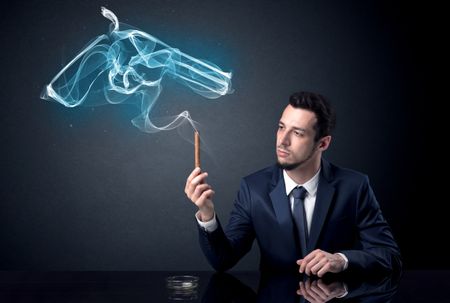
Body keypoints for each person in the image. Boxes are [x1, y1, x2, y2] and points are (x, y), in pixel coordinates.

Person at [185, 91, 401, 275]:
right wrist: (207, 213)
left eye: (297, 133)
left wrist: (341, 260)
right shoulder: (254, 188)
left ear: (323, 143)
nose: (283, 140)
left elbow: (389, 257)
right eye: (281, 127)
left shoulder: (354, 186)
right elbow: (223, 260)